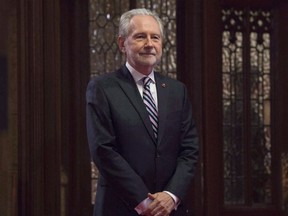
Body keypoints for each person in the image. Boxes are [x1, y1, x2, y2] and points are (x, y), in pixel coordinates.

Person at [86, 8, 199, 216]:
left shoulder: (177, 91)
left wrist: (171, 195)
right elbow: (103, 150)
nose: (149, 44)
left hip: (170, 209)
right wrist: (146, 202)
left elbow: (189, 150)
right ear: (122, 43)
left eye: (155, 37)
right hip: (121, 207)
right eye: (140, 37)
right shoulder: (102, 88)